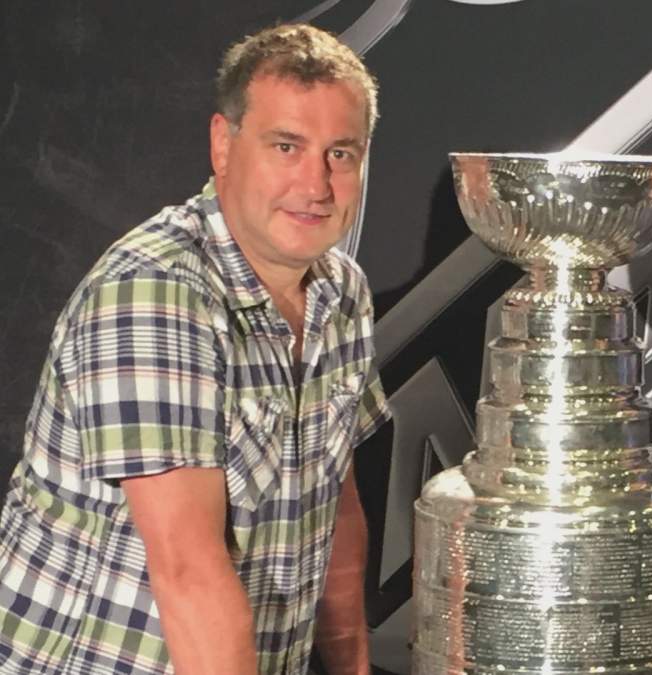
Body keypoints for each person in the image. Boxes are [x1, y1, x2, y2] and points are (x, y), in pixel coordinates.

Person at [0, 24, 390, 675]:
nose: (316, 183)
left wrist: (352, 667)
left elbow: (337, 510)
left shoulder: (341, 292)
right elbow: (189, 571)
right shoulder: (156, 291)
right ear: (223, 145)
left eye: (340, 154)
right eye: (287, 146)